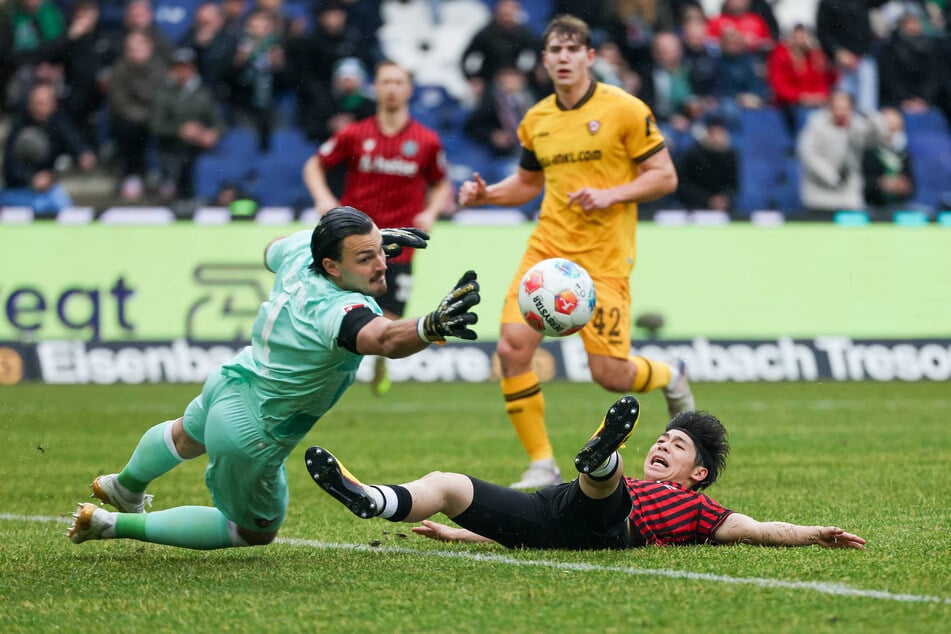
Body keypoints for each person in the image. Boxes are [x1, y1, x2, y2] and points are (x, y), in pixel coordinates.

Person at [67, 206, 481, 550]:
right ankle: (108, 524)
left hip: (232, 380)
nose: (380, 265)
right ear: (331, 266)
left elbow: (271, 249)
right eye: (365, 258)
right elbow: (386, 339)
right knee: (253, 531)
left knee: (184, 437)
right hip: (254, 430)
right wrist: (429, 325)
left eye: (379, 252)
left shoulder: (303, 248)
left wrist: (367, 242)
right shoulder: (337, 309)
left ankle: (125, 485)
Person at [457, 15, 692, 491]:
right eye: (554, 51)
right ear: (543, 61)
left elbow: (665, 176)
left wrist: (612, 195)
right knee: (511, 349)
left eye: (572, 50)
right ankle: (541, 463)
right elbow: (526, 184)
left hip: (603, 260)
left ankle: (671, 376)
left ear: (589, 57)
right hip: (546, 257)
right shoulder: (537, 119)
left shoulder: (625, 109)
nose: (563, 58)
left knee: (610, 375)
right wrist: (488, 195)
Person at [305, 395, 867, 551]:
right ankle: (372, 499)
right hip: (548, 517)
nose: (664, 446)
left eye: (678, 446)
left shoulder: (701, 510)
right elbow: (510, 521)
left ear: (697, 476)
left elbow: (760, 528)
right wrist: (461, 531)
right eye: (662, 439)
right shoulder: (643, 482)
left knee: (605, 489)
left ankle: (601, 455)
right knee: (450, 485)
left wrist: (813, 533)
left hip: (607, 526)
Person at [302, 60, 453, 397]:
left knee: (386, 315)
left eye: (398, 82)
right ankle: (331, 369)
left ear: (409, 89)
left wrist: (431, 212)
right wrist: (324, 199)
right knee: (344, 310)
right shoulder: (355, 134)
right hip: (353, 243)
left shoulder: (425, 141)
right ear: (376, 89)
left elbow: (442, 183)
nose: (392, 88)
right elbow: (314, 164)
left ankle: (381, 360)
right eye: (385, 82)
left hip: (398, 246)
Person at [1, 81, 97, 214]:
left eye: (43, 103)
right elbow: (9, 164)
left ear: (53, 104)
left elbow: (73, 141)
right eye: (35, 103)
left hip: (48, 191)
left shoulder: (58, 124)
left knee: (64, 207)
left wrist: (83, 154)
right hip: (18, 189)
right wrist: (31, 179)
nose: (38, 107)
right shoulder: (18, 127)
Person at [149, 47, 225, 202]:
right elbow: (156, 125)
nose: (182, 72)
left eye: (186, 67)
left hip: (197, 149)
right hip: (170, 149)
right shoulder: (164, 93)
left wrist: (210, 133)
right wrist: (180, 130)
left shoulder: (203, 94)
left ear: (193, 69)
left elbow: (219, 123)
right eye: (178, 67)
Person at [797, 90, 886, 218]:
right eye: (837, 108)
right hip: (818, 195)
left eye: (845, 108)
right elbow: (807, 153)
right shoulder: (816, 124)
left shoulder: (857, 125)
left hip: (849, 195)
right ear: (829, 108)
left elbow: (878, 139)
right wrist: (831, 176)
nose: (841, 112)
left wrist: (873, 116)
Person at [675, 117, 738, 211]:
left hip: (722, 207)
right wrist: (707, 200)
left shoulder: (730, 155)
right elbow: (683, 184)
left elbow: (732, 184)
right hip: (694, 206)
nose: (717, 138)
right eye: (713, 133)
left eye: (720, 133)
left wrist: (723, 198)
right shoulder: (692, 154)